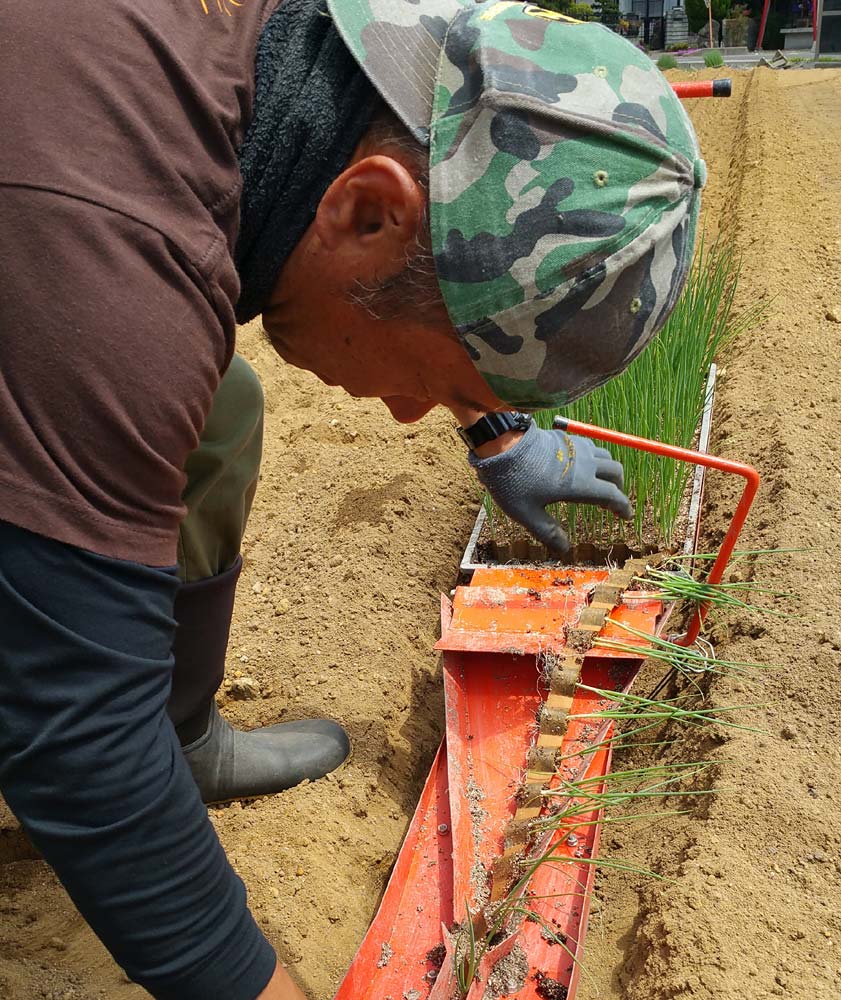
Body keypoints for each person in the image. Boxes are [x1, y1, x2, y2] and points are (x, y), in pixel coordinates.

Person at [0, 1, 703, 997]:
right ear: (366, 211)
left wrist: (494, 424)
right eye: (439, 381)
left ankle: (185, 735)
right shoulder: (104, 264)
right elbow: (75, 741)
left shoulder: (304, 62)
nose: (417, 412)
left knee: (220, 409)